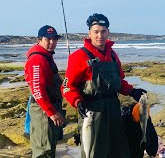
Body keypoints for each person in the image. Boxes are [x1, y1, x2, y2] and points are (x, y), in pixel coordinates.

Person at [62, 13, 147, 157]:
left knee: (118, 151)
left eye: (103, 31)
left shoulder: (113, 55)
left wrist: (133, 91)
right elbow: (67, 87)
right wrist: (77, 101)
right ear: (89, 33)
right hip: (92, 113)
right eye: (96, 32)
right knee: (94, 152)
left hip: (114, 110)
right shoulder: (78, 57)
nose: (99, 35)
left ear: (108, 32)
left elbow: (119, 82)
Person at [24, 25, 65, 157]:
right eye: (48, 39)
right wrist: (51, 112)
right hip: (43, 112)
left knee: (49, 147)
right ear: (39, 40)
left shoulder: (46, 56)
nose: (52, 42)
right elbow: (37, 89)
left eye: (55, 39)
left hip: (49, 108)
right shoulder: (38, 58)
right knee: (44, 151)